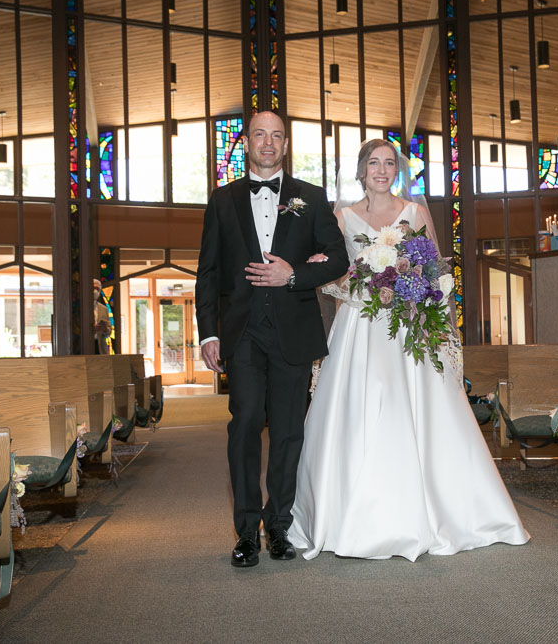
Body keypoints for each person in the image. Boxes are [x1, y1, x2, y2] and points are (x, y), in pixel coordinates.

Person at [287, 139, 530, 561]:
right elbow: (326, 275)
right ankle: (347, 514)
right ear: (361, 171)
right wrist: (360, 286)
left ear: (396, 171)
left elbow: (433, 271)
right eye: (373, 163)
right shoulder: (341, 219)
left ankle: (438, 511)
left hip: (407, 329)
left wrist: (415, 295)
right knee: (358, 412)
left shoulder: (415, 213)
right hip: (359, 328)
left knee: (415, 412)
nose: (381, 170)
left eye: (388, 164)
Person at [195, 110, 349, 568]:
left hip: (293, 331)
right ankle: (245, 532)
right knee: (243, 426)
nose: (268, 143)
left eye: (276, 136)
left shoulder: (312, 197)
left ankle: (278, 527)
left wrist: (294, 274)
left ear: (285, 145)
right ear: (247, 144)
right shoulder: (221, 201)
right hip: (241, 334)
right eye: (259, 134)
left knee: (287, 432)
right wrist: (207, 333)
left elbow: (339, 258)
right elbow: (207, 272)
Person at [93, 279, 111, 355]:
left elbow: (109, 331)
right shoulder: (82, 308)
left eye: (98, 289)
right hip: (86, 347)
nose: (95, 291)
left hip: (100, 348)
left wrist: (105, 329)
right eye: (93, 288)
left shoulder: (104, 308)